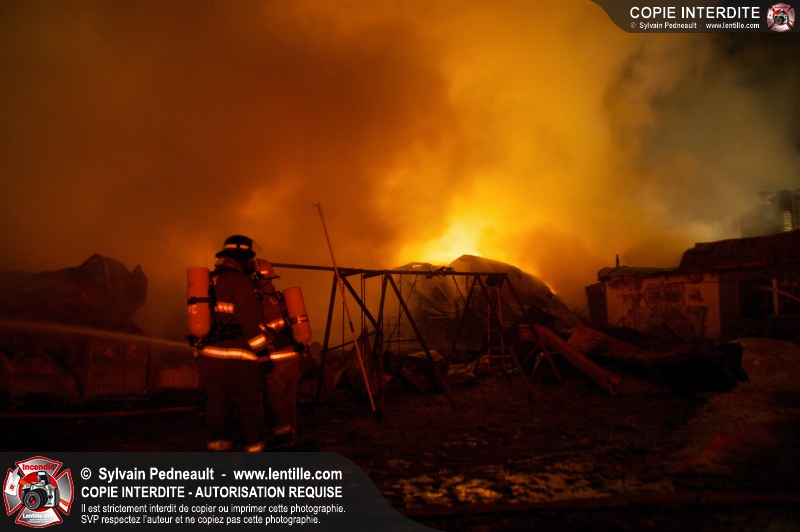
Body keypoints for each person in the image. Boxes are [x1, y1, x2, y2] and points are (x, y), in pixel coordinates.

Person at [198, 235, 270, 452]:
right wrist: (263, 353)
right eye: (249, 259)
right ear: (241, 258)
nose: (250, 264)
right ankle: (255, 451)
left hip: (209, 357)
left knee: (217, 404)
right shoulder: (239, 282)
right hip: (237, 357)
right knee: (249, 404)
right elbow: (249, 322)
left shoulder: (208, 281)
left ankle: (218, 449)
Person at [251, 258, 303, 449]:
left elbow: (257, 330)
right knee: (290, 400)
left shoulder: (258, 300)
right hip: (292, 356)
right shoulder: (279, 296)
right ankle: (292, 435)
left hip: (276, 358)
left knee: (275, 401)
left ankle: (284, 440)